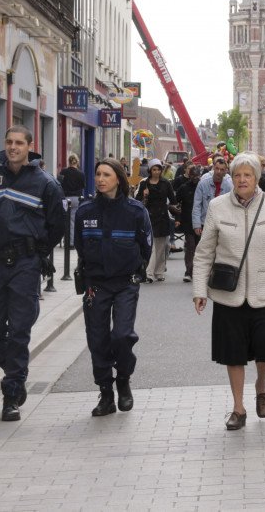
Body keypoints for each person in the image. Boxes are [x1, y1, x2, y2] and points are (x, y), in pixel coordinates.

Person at [192, 153, 265, 430]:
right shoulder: (217, 207)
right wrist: (199, 289)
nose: (242, 180)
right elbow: (204, 253)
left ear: (257, 178)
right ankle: (238, 408)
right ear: (231, 177)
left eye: (247, 175)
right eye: (237, 175)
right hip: (229, 293)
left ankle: (261, 383)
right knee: (233, 352)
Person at [0, 126, 66, 421]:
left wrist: (38, 254)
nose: (13, 147)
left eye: (19, 143)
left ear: (30, 146)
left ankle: (11, 393)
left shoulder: (45, 183)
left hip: (26, 264)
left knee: (19, 330)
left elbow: (57, 225)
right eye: (9, 142)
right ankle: (15, 370)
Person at [74, 159, 152, 417]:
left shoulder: (135, 211)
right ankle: (106, 393)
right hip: (96, 284)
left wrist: (136, 269)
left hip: (125, 283)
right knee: (97, 339)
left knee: (121, 335)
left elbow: (146, 246)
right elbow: (80, 247)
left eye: (106, 174)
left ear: (118, 178)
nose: (100, 179)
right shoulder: (85, 212)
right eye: (97, 174)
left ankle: (124, 379)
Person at [135, 159, 177, 283]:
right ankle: (149, 272)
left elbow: (173, 200)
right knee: (151, 245)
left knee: (161, 246)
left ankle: (159, 271)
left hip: (163, 216)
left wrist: (175, 212)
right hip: (149, 217)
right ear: (150, 170)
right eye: (154, 169)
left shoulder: (166, 183)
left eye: (158, 169)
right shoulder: (144, 184)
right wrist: (144, 195)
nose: (157, 172)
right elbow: (138, 201)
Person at [192, 156, 232, 238]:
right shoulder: (203, 184)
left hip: (222, 225)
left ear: (226, 171)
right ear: (213, 168)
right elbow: (197, 205)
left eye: (222, 170)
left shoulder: (229, 186)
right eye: (217, 168)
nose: (218, 171)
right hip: (205, 224)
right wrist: (196, 224)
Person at [175, 166, 202, 282]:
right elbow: (176, 204)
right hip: (188, 222)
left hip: (202, 222)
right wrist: (178, 217)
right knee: (191, 247)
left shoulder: (203, 187)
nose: (195, 178)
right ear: (189, 175)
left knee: (200, 248)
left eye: (197, 176)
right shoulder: (184, 188)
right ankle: (189, 271)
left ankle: (199, 271)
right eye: (193, 175)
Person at [58, 154, 86, 243]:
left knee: (65, 220)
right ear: (77, 162)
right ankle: (71, 242)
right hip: (76, 199)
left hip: (65, 198)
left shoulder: (63, 172)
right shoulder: (81, 173)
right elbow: (83, 185)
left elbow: (58, 183)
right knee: (73, 221)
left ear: (68, 161)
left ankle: (65, 239)